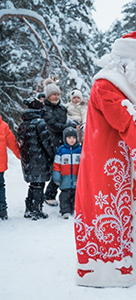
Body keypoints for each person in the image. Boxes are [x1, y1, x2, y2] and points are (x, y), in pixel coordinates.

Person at [74, 31, 136, 288]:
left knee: (123, 210)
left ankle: (126, 260)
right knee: (108, 211)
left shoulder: (118, 87)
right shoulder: (105, 85)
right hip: (104, 164)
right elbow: (122, 118)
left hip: (117, 163)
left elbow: (126, 114)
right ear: (127, 62)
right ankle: (108, 268)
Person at [18, 98, 54, 220]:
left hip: (28, 159)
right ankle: (37, 210)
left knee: (33, 184)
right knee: (39, 184)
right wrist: (52, 156)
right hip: (39, 159)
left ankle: (29, 209)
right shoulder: (40, 123)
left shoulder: (23, 123)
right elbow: (46, 142)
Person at [42, 78, 75, 206]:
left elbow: (66, 121)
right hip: (52, 141)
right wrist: (67, 127)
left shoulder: (62, 108)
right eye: (54, 94)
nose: (56, 97)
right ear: (48, 96)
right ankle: (50, 194)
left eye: (58, 94)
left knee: (66, 167)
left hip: (64, 140)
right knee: (57, 168)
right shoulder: (46, 109)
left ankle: (65, 194)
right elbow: (53, 125)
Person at [53, 127, 82, 219]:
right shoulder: (61, 150)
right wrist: (57, 176)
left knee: (76, 195)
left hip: (76, 178)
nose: (72, 140)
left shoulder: (80, 150)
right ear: (65, 139)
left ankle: (75, 209)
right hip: (65, 178)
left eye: (73, 138)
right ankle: (65, 211)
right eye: (69, 138)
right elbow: (57, 164)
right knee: (65, 196)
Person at [0, 114, 20, 220]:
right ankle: (2, 211)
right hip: (0, 164)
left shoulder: (3, 126)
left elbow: (12, 142)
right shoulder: (3, 126)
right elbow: (12, 142)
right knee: (0, 187)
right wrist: (21, 155)